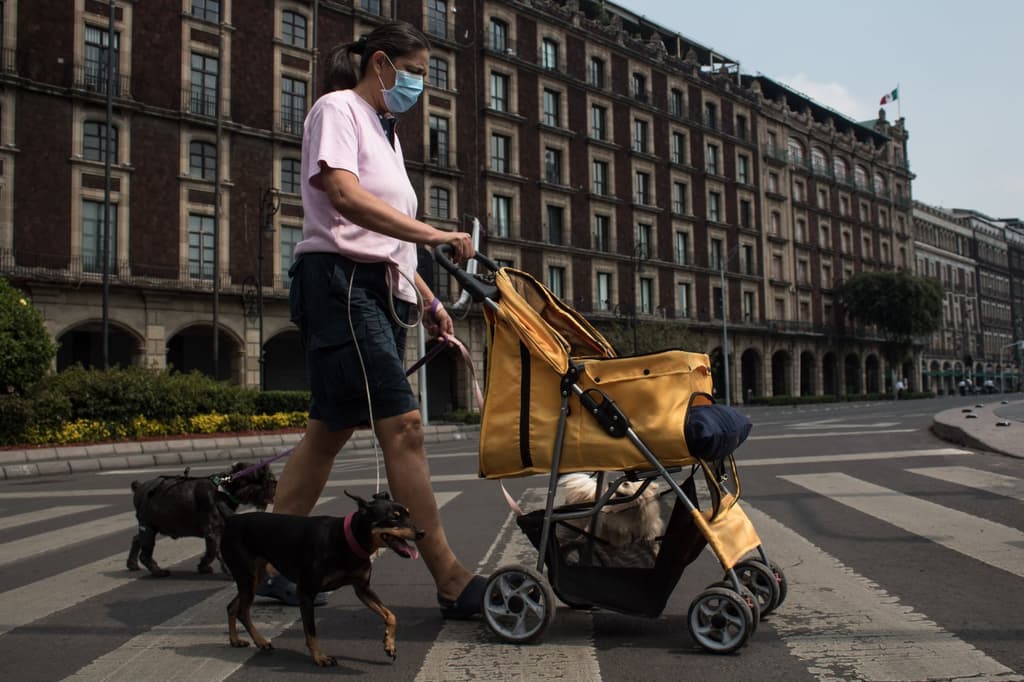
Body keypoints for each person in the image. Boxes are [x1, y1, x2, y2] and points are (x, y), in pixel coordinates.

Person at [258, 22, 484, 619]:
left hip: (375, 287)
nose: (419, 87)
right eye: (414, 72)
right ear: (380, 63)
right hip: (339, 284)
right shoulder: (338, 109)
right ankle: (451, 579)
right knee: (404, 426)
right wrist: (437, 233)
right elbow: (346, 199)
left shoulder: (387, 135)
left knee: (326, 433)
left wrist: (431, 302)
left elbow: (388, 240)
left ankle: (272, 564)